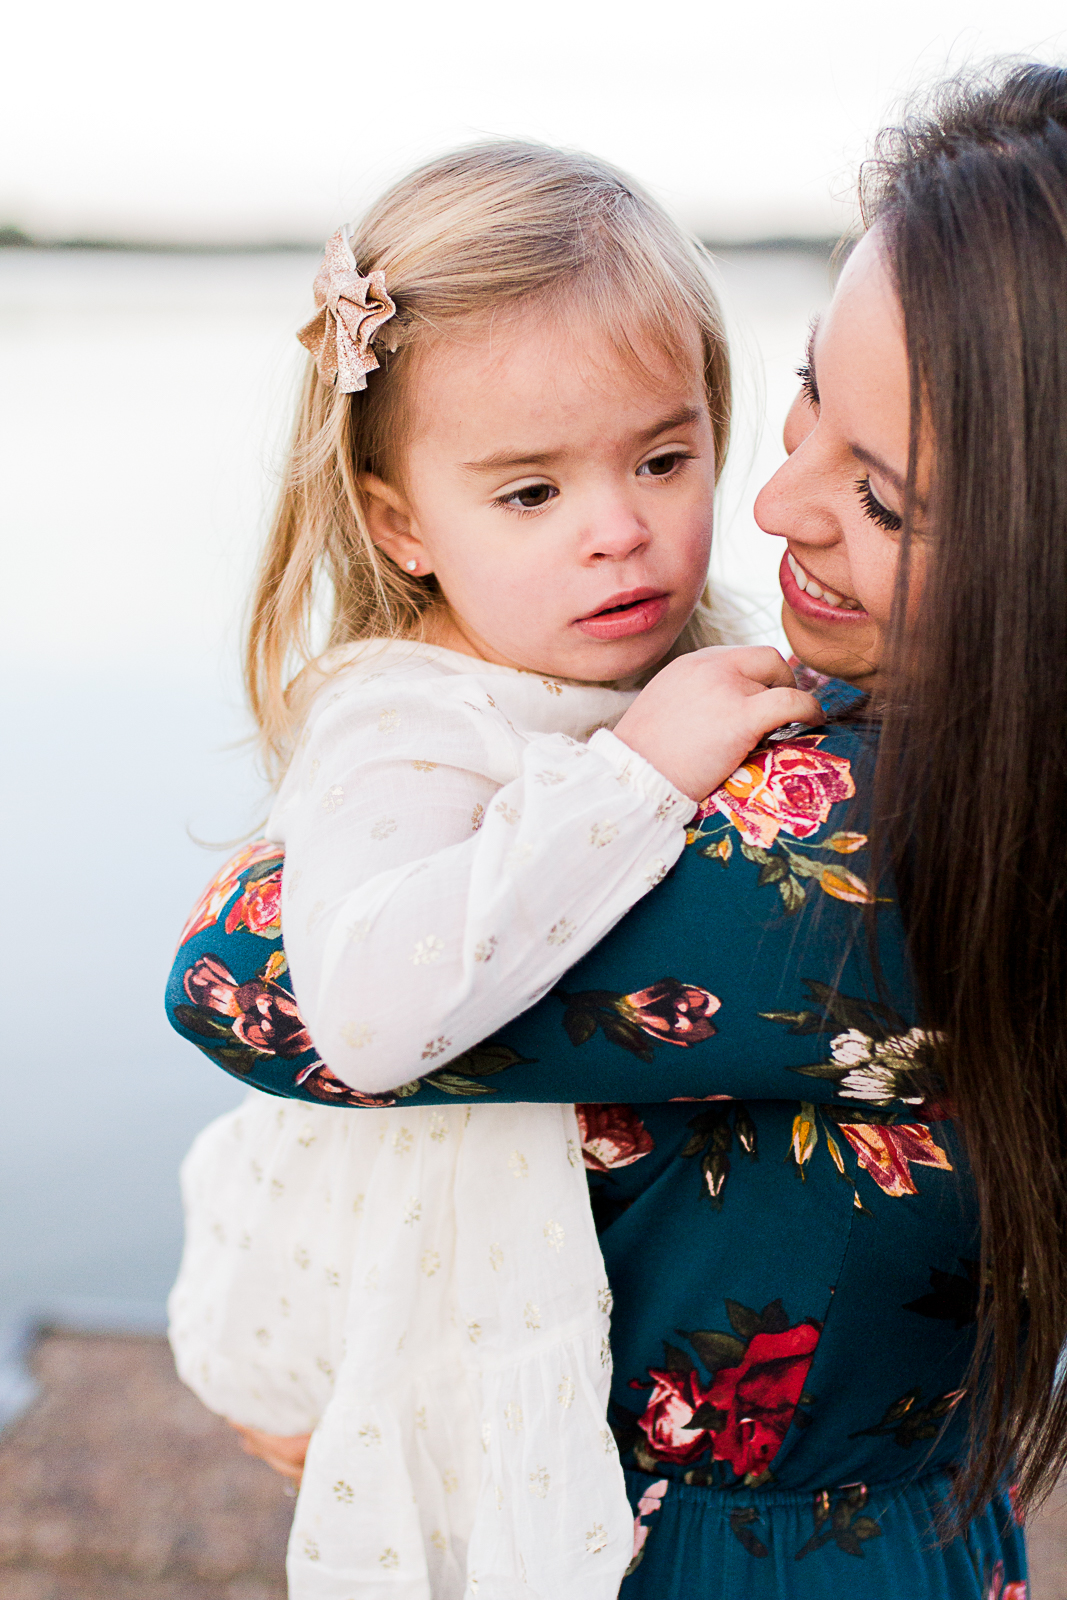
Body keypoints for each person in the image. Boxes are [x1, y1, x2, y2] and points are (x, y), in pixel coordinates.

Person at [168, 60, 1067, 1596]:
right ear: (398, 519)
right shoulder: (696, 703)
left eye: (890, 498)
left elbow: (246, 980)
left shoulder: (897, 845)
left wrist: (618, 776)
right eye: (803, 399)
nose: (773, 505)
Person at [166, 141, 822, 1600]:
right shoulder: (406, 719)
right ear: (402, 522)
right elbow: (371, 1014)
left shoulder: (680, 652)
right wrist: (641, 775)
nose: (617, 527)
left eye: (664, 456)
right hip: (375, 1293)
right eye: (528, 494)